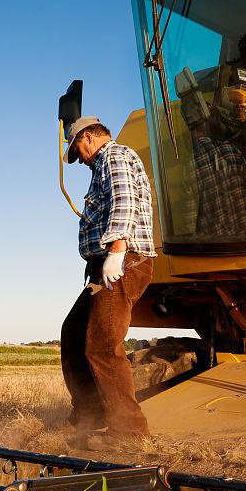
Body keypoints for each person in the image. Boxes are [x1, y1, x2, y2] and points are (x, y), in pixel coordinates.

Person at [59, 116, 156, 440]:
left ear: (87, 137)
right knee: (73, 333)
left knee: (102, 344)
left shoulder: (114, 156)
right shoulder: (103, 165)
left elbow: (124, 200)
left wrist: (116, 250)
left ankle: (129, 432)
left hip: (122, 261)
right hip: (104, 266)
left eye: (77, 151)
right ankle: (90, 414)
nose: (80, 161)